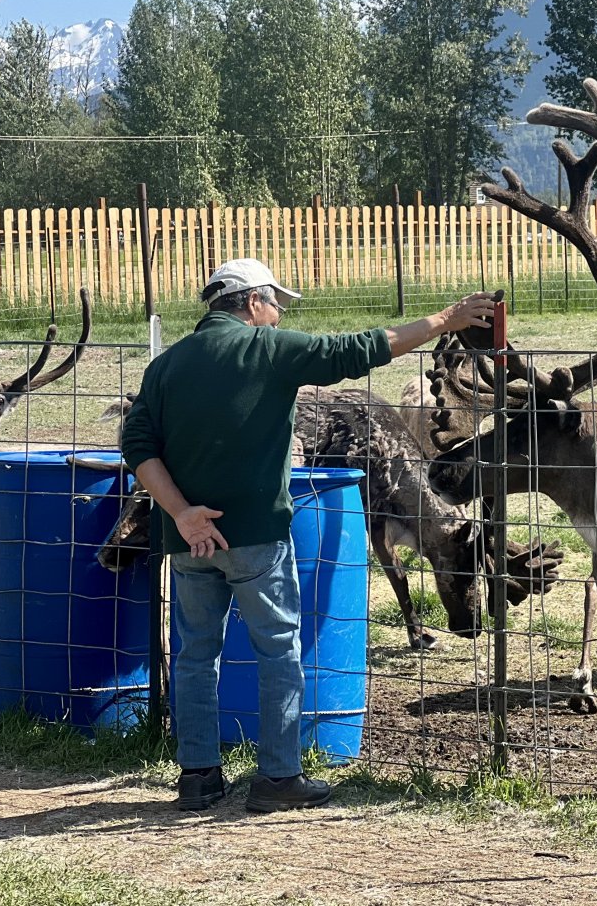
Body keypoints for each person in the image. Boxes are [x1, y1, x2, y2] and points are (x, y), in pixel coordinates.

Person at [120, 257, 495, 813]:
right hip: (256, 537)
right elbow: (365, 347)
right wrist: (446, 319)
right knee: (279, 653)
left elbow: (138, 448)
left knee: (195, 657)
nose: (278, 316)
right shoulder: (268, 351)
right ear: (251, 302)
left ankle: (198, 777)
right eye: (275, 304)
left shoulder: (167, 366)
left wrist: (181, 514)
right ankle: (277, 777)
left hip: (189, 541)